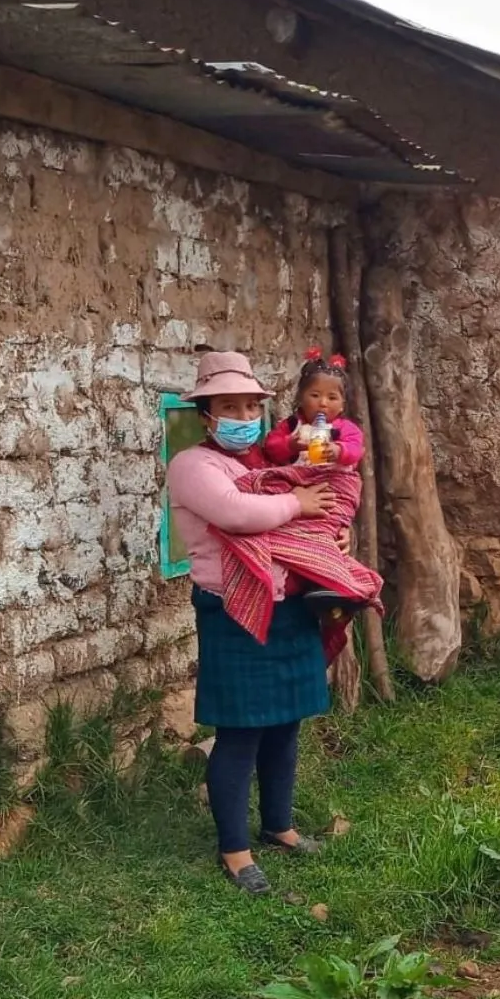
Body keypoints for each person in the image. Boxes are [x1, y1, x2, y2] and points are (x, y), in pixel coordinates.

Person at [165, 350, 342, 896]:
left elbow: (311, 509)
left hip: (286, 604)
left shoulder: (259, 461)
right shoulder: (193, 466)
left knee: (285, 724)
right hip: (236, 610)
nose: (243, 415)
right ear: (206, 415)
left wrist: (328, 535)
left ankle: (278, 825)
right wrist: (297, 503)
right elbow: (239, 517)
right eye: (229, 407)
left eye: (250, 405)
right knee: (240, 733)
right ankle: (235, 851)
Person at [260, 348, 371, 616]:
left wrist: (339, 451)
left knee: (330, 532)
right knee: (302, 532)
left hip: (334, 487)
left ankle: (336, 582)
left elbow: (357, 449)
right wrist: (290, 444)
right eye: (315, 395)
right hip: (300, 487)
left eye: (332, 397)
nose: (323, 404)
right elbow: (271, 449)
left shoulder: (345, 429)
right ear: (300, 398)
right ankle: (309, 578)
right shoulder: (291, 426)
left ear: (342, 404)